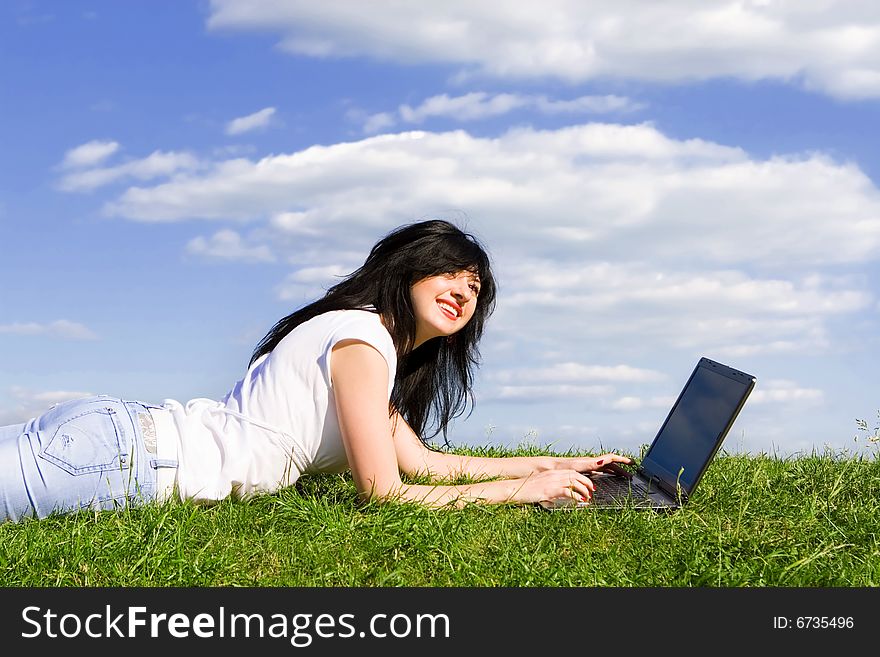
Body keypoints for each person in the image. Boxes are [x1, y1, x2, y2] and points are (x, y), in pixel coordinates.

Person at [0, 219, 632, 522]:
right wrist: (513, 494)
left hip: (116, 444)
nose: (462, 294)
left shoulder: (372, 350)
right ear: (407, 272)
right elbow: (384, 494)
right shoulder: (362, 340)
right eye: (447, 273)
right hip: (125, 460)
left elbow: (428, 465)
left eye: (474, 287)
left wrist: (558, 467)